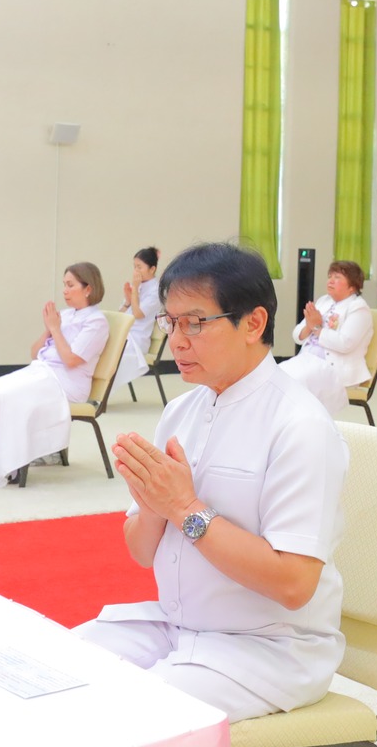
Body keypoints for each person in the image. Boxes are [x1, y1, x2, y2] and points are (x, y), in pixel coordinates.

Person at [79, 242, 349, 721]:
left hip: (268, 645)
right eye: (171, 322)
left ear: (254, 323)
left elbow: (293, 584)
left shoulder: (299, 425)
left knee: (133, 714)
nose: (178, 341)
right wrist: (155, 506)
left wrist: (184, 508)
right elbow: (143, 553)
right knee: (59, 670)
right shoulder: (182, 410)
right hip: (179, 623)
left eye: (196, 323)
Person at [0, 263, 109, 487]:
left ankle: (5, 465)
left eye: (70, 285)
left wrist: (55, 329)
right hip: (43, 371)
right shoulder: (64, 315)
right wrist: (48, 328)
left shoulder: (96, 322)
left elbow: (71, 360)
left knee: (4, 399)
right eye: (64, 284)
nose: (64, 290)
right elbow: (35, 353)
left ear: (88, 289)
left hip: (66, 382)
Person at [280, 259, 374, 415]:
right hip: (307, 360)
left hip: (334, 367)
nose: (331, 280)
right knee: (277, 375)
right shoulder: (324, 301)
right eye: (330, 276)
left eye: (337, 277)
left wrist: (316, 327)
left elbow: (345, 343)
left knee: (294, 382)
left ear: (352, 287)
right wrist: (309, 326)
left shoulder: (359, 308)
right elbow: (297, 335)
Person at [114, 246, 162, 390]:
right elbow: (121, 315)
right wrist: (128, 301)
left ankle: (102, 394)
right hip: (125, 334)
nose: (136, 271)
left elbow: (138, 314)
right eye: (135, 266)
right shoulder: (137, 286)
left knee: (111, 352)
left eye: (139, 267)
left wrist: (135, 290)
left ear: (152, 269)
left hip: (137, 339)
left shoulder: (156, 290)